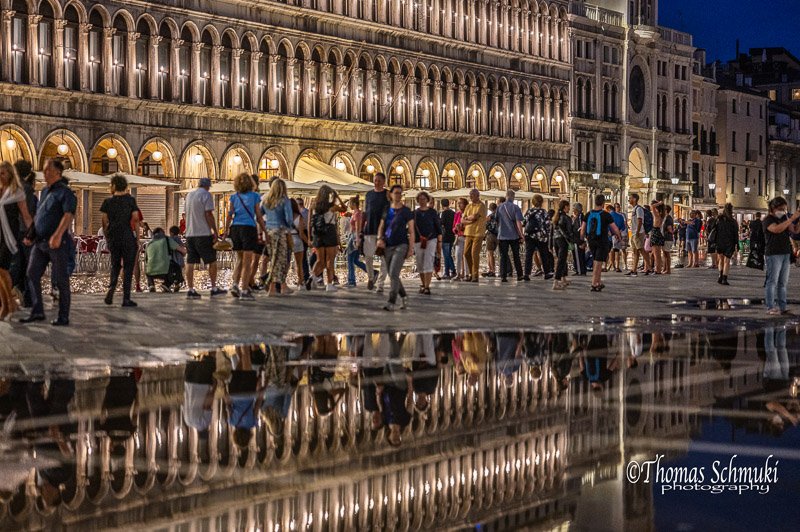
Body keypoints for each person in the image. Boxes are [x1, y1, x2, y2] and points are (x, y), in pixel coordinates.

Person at [21, 159, 76, 326]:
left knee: (61, 279)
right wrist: (31, 235)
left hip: (58, 242)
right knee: (32, 273)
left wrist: (58, 235)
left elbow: (68, 215)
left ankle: (63, 316)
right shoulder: (45, 192)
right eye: (44, 170)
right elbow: (39, 216)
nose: (44, 173)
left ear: (58, 172)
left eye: (48, 170)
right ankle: (38, 310)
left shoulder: (66, 193)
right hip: (41, 242)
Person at [100, 174, 140, 307]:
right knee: (128, 267)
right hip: (127, 236)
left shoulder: (107, 202)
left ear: (115, 186)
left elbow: (104, 221)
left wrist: (107, 236)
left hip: (113, 237)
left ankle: (112, 287)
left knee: (115, 264)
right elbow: (135, 218)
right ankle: (126, 298)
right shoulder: (130, 201)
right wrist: (137, 239)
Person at [0, 161, 32, 320]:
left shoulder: (17, 192)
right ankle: (8, 303)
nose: (0, 176)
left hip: (9, 236)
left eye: (3, 173)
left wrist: (32, 234)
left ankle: (8, 304)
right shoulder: (0, 191)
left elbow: (26, 216)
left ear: (10, 174)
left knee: (2, 269)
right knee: (1, 271)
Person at [184, 178, 225, 299]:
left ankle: (191, 289)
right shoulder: (206, 195)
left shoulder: (189, 195)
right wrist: (215, 232)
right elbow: (208, 214)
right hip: (203, 234)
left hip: (190, 234)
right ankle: (213, 288)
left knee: (190, 262)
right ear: (207, 186)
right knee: (212, 261)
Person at [377, 184, 415, 311]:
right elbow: (381, 226)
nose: (398, 195)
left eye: (400, 193)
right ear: (391, 194)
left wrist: (411, 248)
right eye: (396, 193)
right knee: (392, 274)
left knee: (393, 272)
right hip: (388, 244)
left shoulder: (406, 211)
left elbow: (411, 230)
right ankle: (404, 296)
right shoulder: (387, 209)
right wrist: (379, 239)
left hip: (401, 244)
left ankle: (391, 301)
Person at [764, 197, 800, 315]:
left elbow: (794, 230)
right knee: (772, 281)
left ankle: (782, 306)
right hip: (773, 253)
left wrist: (798, 219)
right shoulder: (768, 219)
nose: (783, 212)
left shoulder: (785, 218)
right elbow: (777, 229)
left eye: (785, 209)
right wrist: (791, 219)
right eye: (781, 209)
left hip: (785, 252)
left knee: (783, 282)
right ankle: (770, 306)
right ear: (773, 208)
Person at [261, 178, 295, 296]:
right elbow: (289, 218)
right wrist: (289, 226)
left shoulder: (266, 200)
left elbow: (259, 216)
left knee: (273, 259)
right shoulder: (284, 200)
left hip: (269, 233)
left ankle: (275, 286)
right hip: (280, 232)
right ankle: (270, 286)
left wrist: (264, 228)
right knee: (280, 260)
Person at [309, 185, 347, 292]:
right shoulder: (332, 207)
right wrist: (338, 197)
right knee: (330, 260)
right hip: (329, 233)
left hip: (318, 234)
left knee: (320, 260)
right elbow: (344, 208)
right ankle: (329, 285)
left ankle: (312, 277)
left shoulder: (313, 206)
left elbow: (309, 223)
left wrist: (309, 238)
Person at [581, 194, 622, 292]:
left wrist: (582, 240)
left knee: (596, 260)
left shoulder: (588, 214)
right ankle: (594, 283)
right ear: (603, 203)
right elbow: (614, 227)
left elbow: (582, 230)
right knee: (598, 262)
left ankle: (598, 282)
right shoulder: (605, 214)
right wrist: (619, 236)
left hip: (591, 240)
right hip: (602, 240)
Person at [11, 159, 36, 307]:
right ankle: (26, 296)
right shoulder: (25, 188)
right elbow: (28, 213)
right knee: (26, 265)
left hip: (11, 231)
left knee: (17, 264)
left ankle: (24, 295)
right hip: (23, 231)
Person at [359, 172, 389, 291]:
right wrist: (361, 229)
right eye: (375, 180)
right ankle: (371, 278)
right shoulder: (369, 194)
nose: (376, 182)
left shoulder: (387, 194)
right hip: (369, 230)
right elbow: (365, 212)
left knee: (384, 259)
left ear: (383, 182)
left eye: (379, 180)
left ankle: (380, 284)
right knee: (368, 256)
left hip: (383, 232)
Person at [413, 191, 441, 294]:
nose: (422, 201)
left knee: (428, 261)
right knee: (420, 263)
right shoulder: (415, 213)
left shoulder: (432, 212)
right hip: (418, 240)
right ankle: (423, 283)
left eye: (424, 199)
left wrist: (439, 241)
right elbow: (411, 228)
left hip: (431, 239)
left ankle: (427, 287)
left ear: (427, 200)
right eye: (420, 199)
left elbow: (438, 227)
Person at [495, 190, 524, 282]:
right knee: (516, 255)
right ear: (513, 197)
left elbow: (496, 220)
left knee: (503, 256)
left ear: (506, 196)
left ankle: (503, 276)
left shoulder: (499, 207)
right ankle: (519, 275)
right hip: (514, 236)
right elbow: (518, 222)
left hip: (502, 235)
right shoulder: (515, 207)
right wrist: (521, 235)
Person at [523, 194, 554, 281]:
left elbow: (524, 222)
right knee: (543, 254)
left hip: (530, 236)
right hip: (541, 236)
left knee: (529, 254)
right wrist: (547, 235)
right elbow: (548, 225)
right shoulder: (544, 212)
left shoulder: (529, 211)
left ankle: (526, 273)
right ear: (541, 202)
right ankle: (547, 273)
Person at [145, 227, 186, 292]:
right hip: (165, 270)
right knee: (177, 267)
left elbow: (146, 260)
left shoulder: (149, 244)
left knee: (149, 266)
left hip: (150, 272)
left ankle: (151, 284)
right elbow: (183, 251)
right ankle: (167, 284)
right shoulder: (167, 239)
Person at [460, 189, 487, 283]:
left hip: (478, 233)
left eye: (472, 195)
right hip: (468, 233)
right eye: (470, 195)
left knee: (474, 254)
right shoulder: (468, 206)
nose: (470, 197)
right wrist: (468, 219)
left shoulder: (481, 206)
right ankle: (471, 273)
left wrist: (467, 219)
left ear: (477, 195)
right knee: (466, 253)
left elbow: (475, 217)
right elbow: (462, 220)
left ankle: (475, 275)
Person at [552, 200, 576, 290]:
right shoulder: (566, 218)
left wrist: (550, 245)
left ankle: (563, 278)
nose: (569, 208)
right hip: (563, 241)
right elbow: (569, 231)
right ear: (565, 207)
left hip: (556, 240)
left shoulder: (556, 217)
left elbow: (552, 231)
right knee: (561, 260)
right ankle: (556, 282)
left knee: (562, 259)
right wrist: (571, 240)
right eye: (568, 206)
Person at [345, 197, 367, 287]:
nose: (349, 205)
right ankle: (372, 272)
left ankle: (351, 280)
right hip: (354, 236)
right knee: (355, 260)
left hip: (354, 236)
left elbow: (358, 227)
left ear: (353, 204)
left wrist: (357, 239)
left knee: (350, 258)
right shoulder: (355, 213)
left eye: (349, 203)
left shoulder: (357, 214)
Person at [715, 203, 739, 285]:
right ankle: (724, 278)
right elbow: (736, 234)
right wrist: (737, 245)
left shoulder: (719, 219)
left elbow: (715, 230)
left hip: (720, 241)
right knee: (727, 261)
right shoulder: (733, 222)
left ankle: (720, 276)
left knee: (720, 259)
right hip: (729, 242)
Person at [626, 193, 649, 277]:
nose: (629, 200)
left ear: (635, 199)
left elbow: (640, 221)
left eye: (630, 198)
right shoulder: (634, 209)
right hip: (634, 233)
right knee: (635, 251)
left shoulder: (639, 209)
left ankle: (649, 268)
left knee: (641, 250)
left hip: (638, 233)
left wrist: (637, 232)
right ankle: (634, 270)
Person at [289, 198, 310, 288]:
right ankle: (300, 282)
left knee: (286, 263)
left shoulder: (286, 217)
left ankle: (281, 283)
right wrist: (308, 241)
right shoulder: (299, 217)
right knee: (299, 263)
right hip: (297, 240)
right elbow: (301, 233)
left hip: (288, 239)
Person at [607, 204, 627, 273]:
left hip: (611, 236)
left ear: (609, 209)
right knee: (617, 251)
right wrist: (618, 233)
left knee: (610, 251)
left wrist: (609, 233)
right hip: (618, 236)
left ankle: (611, 266)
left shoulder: (608, 216)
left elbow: (607, 226)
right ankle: (617, 266)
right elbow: (624, 226)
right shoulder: (620, 216)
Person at [439, 198, 456, 279]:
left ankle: (450, 271)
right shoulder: (453, 213)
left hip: (445, 236)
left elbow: (441, 223)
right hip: (452, 235)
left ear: (442, 205)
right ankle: (449, 272)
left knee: (446, 255)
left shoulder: (444, 213)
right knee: (448, 254)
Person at [453, 197, 467, 281]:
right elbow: (453, 226)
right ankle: (458, 274)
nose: (458, 205)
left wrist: (463, 227)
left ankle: (466, 274)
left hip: (467, 237)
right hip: (459, 237)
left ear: (465, 204)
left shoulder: (468, 213)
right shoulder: (457, 214)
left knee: (466, 256)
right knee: (458, 255)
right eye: (458, 203)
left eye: (460, 203)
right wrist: (456, 228)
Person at [649, 203, 666, 275]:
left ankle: (657, 269)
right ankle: (658, 268)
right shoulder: (662, 216)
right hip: (658, 233)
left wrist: (659, 203)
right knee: (657, 253)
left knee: (656, 254)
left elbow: (652, 206)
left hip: (655, 233)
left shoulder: (657, 216)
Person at [483, 202, 499, 277]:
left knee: (490, 254)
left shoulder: (489, 217)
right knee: (499, 254)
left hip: (491, 236)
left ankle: (492, 270)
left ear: (490, 209)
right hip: (499, 236)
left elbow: (485, 226)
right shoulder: (500, 216)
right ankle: (497, 270)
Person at [571, 203, 587, 276]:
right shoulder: (578, 217)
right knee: (578, 255)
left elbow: (581, 228)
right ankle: (580, 270)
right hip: (577, 239)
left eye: (574, 208)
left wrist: (581, 240)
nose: (573, 210)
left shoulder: (580, 217)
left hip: (578, 239)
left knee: (578, 255)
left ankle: (580, 270)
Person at [661, 205, 675, 274]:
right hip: (665, 237)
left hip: (667, 238)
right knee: (664, 254)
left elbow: (670, 228)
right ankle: (665, 268)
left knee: (667, 253)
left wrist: (671, 232)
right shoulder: (666, 218)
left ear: (666, 210)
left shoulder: (668, 218)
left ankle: (668, 269)